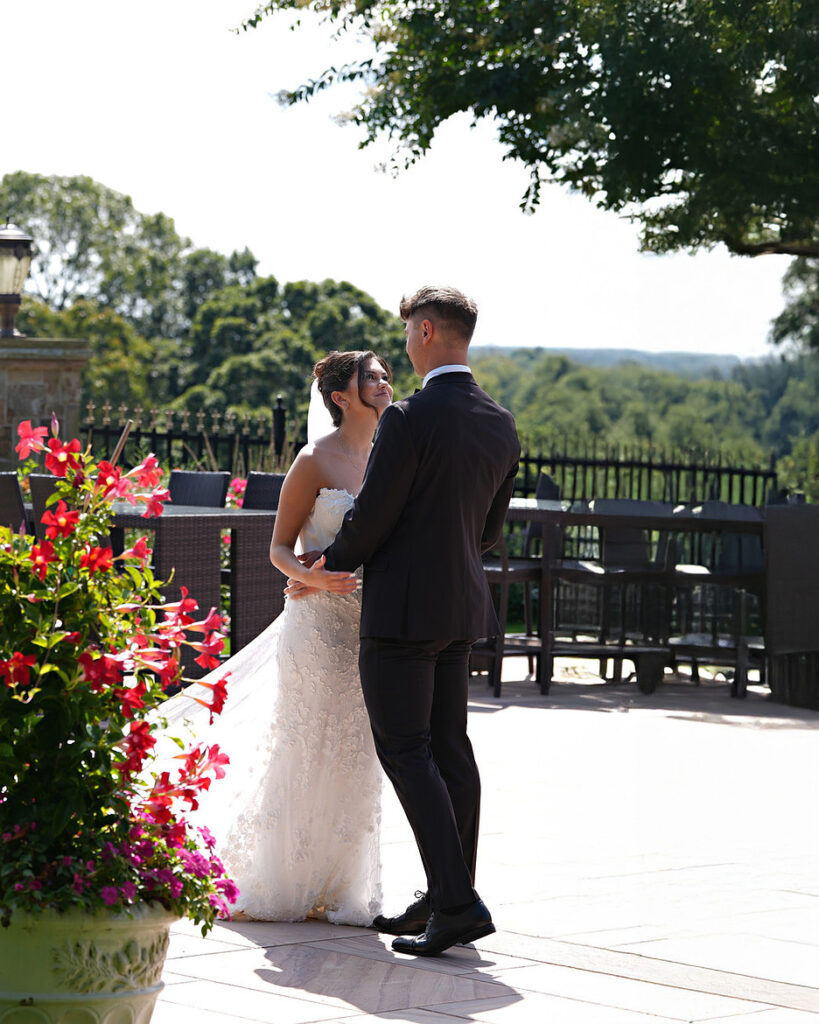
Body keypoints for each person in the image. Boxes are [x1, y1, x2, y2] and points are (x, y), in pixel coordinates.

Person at [297, 286, 520, 956]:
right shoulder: (499, 422)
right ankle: (443, 892)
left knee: (406, 750)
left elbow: (375, 517)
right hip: (460, 606)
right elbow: (486, 532)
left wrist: (327, 563)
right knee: (450, 747)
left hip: (402, 610)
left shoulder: (410, 418)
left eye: (405, 332)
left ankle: (455, 901)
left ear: (425, 331)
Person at [158, 349, 393, 925]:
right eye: (372, 377)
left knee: (358, 750)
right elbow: (278, 549)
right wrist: (313, 578)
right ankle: (283, 876)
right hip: (315, 628)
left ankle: (341, 884)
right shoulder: (314, 460)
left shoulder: (393, 455)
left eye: (386, 374)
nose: (386, 382)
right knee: (305, 743)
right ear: (341, 396)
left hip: (372, 623)